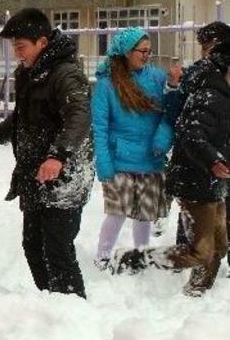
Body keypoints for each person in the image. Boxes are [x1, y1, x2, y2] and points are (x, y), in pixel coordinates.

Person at [0, 8, 93, 299]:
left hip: (63, 175)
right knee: (33, 246)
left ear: (41, 42)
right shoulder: (30, 73)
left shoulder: (65, 74)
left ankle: (71, 309)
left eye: (21, 47)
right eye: (14, 48)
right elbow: (24, 114)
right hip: (34, 174)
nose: (17, 54)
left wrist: (58, 156)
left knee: (57, 248)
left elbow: (79, 115)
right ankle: (48, 305)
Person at [112, 41, 230, 296]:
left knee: (218, 245)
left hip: (213, 180)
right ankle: (134, 260)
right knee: (202, 250)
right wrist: (214, 160)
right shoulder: (211, 96)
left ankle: (196, 291)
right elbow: (190, 132)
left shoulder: (221, 92)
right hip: (195, 181)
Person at [91, 28, 175, 270]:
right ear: (127, 52)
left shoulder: (158, 79)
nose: (147, 55)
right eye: (142, 51)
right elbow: (100, 127)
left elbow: (169, 114)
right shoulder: (107, 85)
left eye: (150, 51)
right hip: (120, 160)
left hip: (151, 158)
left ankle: (140, 256)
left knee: (145, 214)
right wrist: (104, 162)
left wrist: (162, 140)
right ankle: (103, 257)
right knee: (117, 212)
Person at [166, 22, 230, 267]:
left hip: (217, 160)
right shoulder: (201, 79)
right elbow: (180, 120)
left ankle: (199, 285)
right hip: (199, 164)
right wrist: (173, 88)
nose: (207, 52)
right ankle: (164, 270)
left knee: (216, 241)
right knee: (198, 239)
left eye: (212, 46)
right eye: (205, 47)